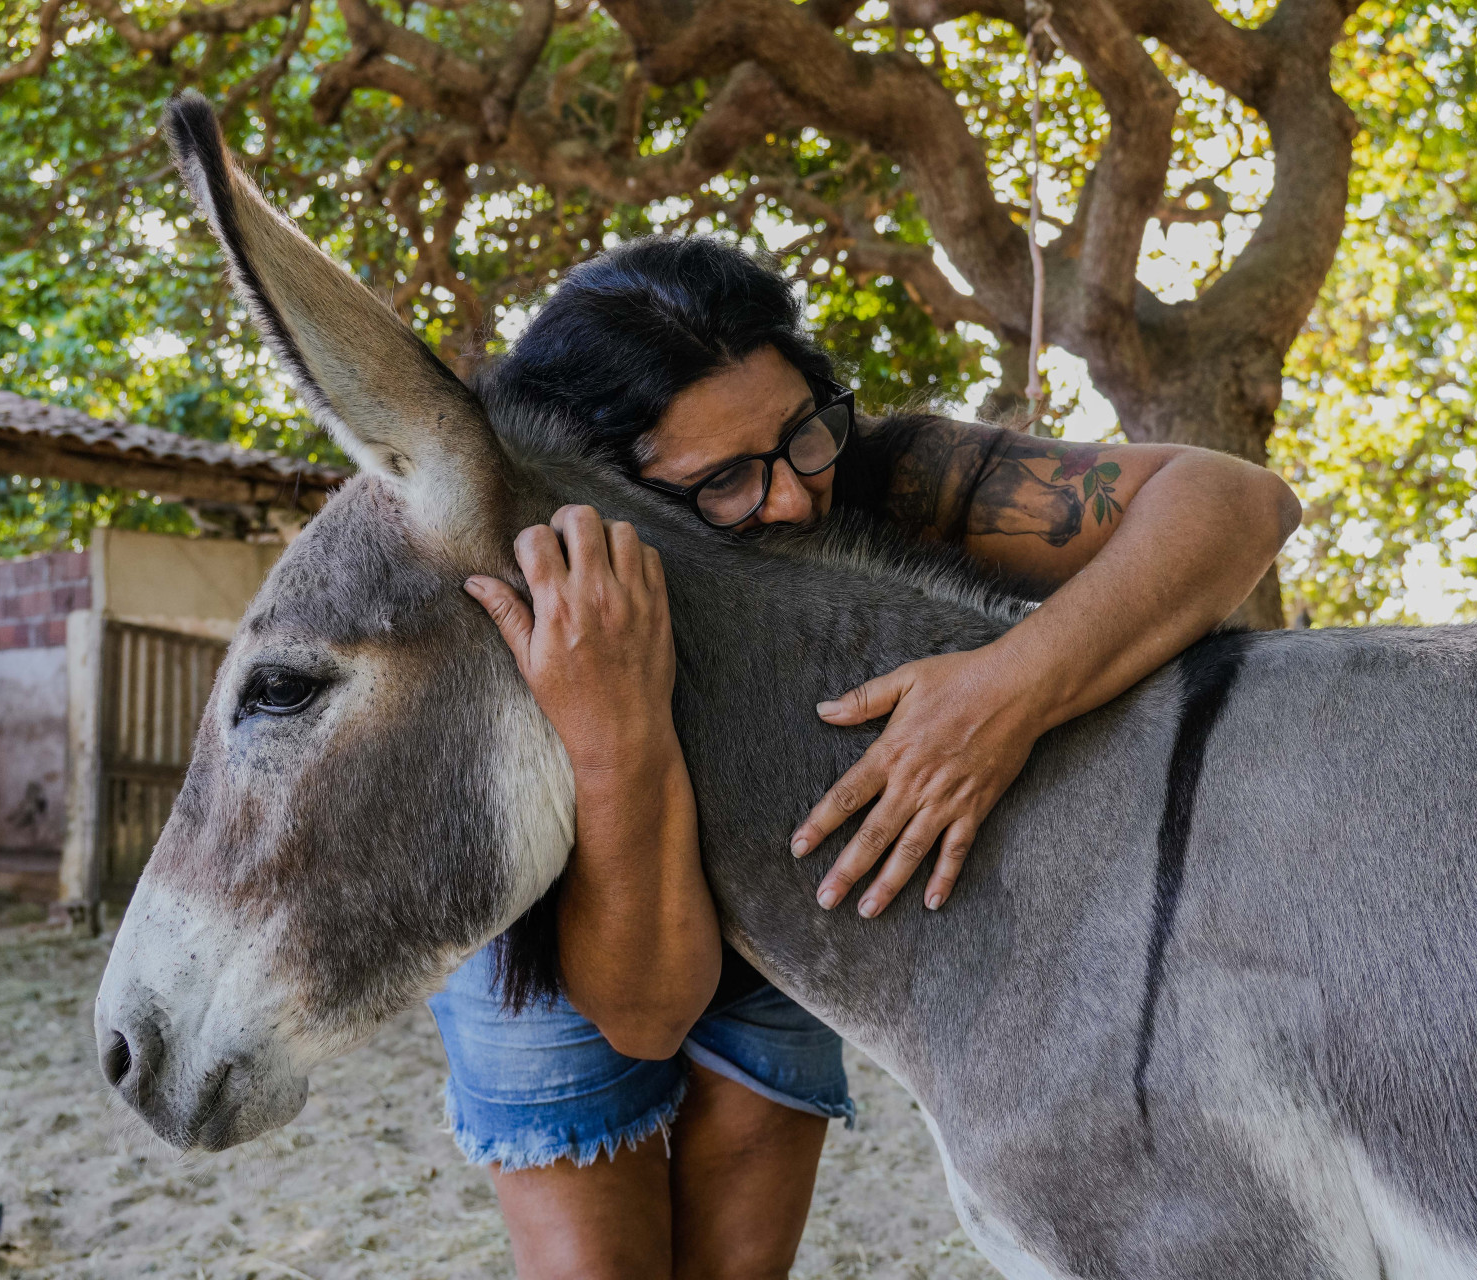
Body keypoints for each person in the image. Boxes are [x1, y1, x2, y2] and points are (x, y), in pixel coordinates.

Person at [428, 238, 1300, 1279]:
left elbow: (1240, 503)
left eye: (803, 433)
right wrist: (616, 737)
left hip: (792, 911)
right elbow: (645, 1010)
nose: (795, 496)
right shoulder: (522, 596)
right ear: (599, 493)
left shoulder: (882, 475)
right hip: (575, 941)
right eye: (723, 483)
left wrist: (1006, 691)